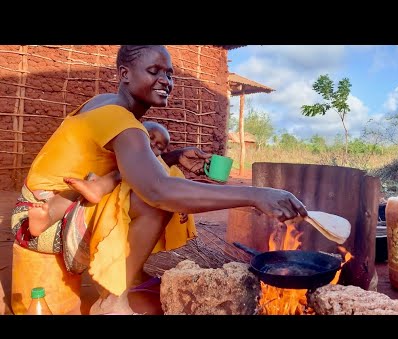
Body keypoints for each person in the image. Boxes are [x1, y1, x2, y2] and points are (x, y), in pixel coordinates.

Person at [11, 45, 307, 315]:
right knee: (153, 199)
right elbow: (157, 190)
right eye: (154, 71)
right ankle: (113, 301)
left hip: (48, 207)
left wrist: (172, 156)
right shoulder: (119, 120)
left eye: (169, 74)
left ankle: (119, 282)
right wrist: (256, 195)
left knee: (165, 177)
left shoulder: (106, 104)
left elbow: (133, 169)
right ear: (124, 74)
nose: (166, 80)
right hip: (43, 221)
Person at [26, 121, 190, 237]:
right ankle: (46, 218)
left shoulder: (157, 164)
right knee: (72, 193)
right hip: (94, 186)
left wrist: (178, 204)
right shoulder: (121, 146)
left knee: (128, 169)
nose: (153, 144)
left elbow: (167, 186)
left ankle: (97, 188)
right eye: (149, 136)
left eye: (159, 147)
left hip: (124, 199)